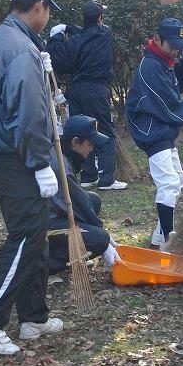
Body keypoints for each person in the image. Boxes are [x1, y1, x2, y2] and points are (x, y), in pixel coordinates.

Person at [0, 0, 64, 356]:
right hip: (15, 156)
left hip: (0, 152)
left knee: (35, 233)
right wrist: (40, 163)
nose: (48, 16)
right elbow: (27, 114)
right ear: (39, 6)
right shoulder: (21, 50)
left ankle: (33, 315)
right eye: (49, 10)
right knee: (26, 235)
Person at [125, 18, 183, 246]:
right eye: (173, 46)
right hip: (152, 130)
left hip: (162, 130)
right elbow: (167, 105)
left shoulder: (165, 61)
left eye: (180, 47)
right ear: (157, 40)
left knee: (177, 180)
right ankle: (168, 241)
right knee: (168, 183)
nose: (176, 51)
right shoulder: (151, 67)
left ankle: (159, 237)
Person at [60, 0, 126, 191]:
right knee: (106, 131)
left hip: (75, 90)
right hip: (96, 89)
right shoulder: (104, 33)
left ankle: (88, 176)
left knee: (83, 131)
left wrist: (65, 30)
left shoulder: (76, 40)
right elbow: (88, 31)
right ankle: (107, 179)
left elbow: (82, 33)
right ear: (100, 18)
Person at [49, 115, 122, 274]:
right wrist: (104, 242)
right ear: (75, 142)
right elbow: (77, 204)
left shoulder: (64, 155)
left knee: (93, 200)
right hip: (45, 224)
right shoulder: (61, 167)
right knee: (100, 239)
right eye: (89, 144)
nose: (92, 149)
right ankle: (45, 264)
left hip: (53, 211)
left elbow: (81, 201)